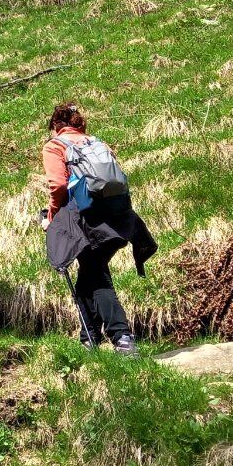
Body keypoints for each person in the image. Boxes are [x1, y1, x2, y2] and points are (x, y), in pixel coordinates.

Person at [42, 103, 156, 356]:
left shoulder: (56, 146)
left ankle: (122, 337)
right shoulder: (98, 143)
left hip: (88, 221)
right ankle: (89, 337)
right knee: (89, 274)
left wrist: (53, 215)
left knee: (97, 275)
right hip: (119, 219)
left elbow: (58, 185)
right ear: (81, 124)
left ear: (56, 126)